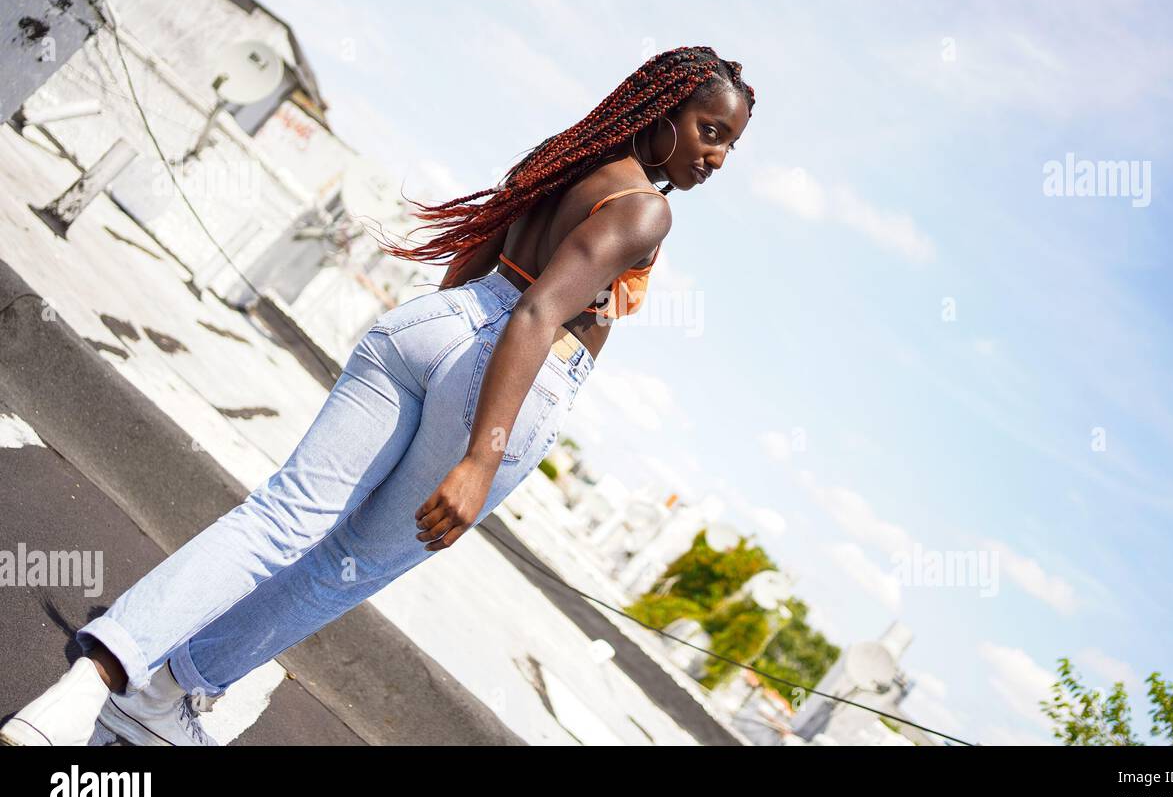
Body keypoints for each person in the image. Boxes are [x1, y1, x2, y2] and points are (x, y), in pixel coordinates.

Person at [0, 45, 754, 746]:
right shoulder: (646, 209)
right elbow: (536, 313)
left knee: (279, 518)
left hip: (438, 324)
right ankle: (167, 690)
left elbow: (478, 263)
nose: (715, 156)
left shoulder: (566, 159)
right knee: (343, 564)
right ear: (662, 112)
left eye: (729, 144)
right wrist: (480, 461)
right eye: (707, 130)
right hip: (513, 370)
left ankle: (92, 678)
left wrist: (440, 353)